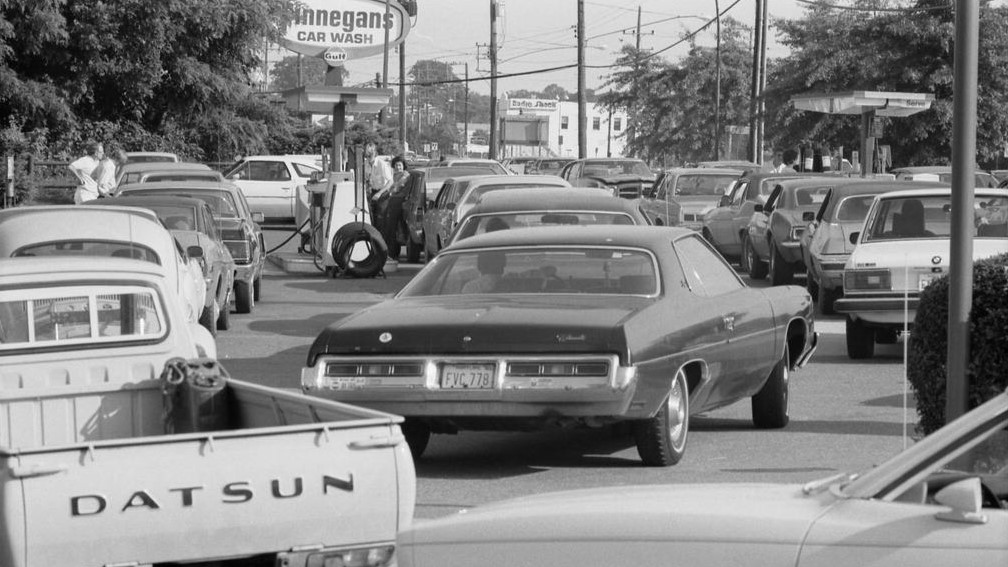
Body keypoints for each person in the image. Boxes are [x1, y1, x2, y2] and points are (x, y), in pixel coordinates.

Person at [383, 155, 410, 261]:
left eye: (400, 165)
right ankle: (392, 251)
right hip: (393, 202)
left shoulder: (405, 175)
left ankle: (393, 252)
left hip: (400, 202)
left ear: (403, 166)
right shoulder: (393, 175)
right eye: (396, 165)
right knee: (390, 228)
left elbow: (397, 187)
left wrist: (391, 190)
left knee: (395, 227)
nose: (398, 167)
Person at [366, 142, 393, 229]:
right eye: (367, 155)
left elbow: (390, 181)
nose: (368, 157)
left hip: (383, 193)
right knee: (371, 217)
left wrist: (379, 193)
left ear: (375, 153)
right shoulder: (366, 164)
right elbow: (367, 179)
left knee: (381, 219)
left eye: (370, 154)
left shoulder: (382, 164)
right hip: (373, 192)